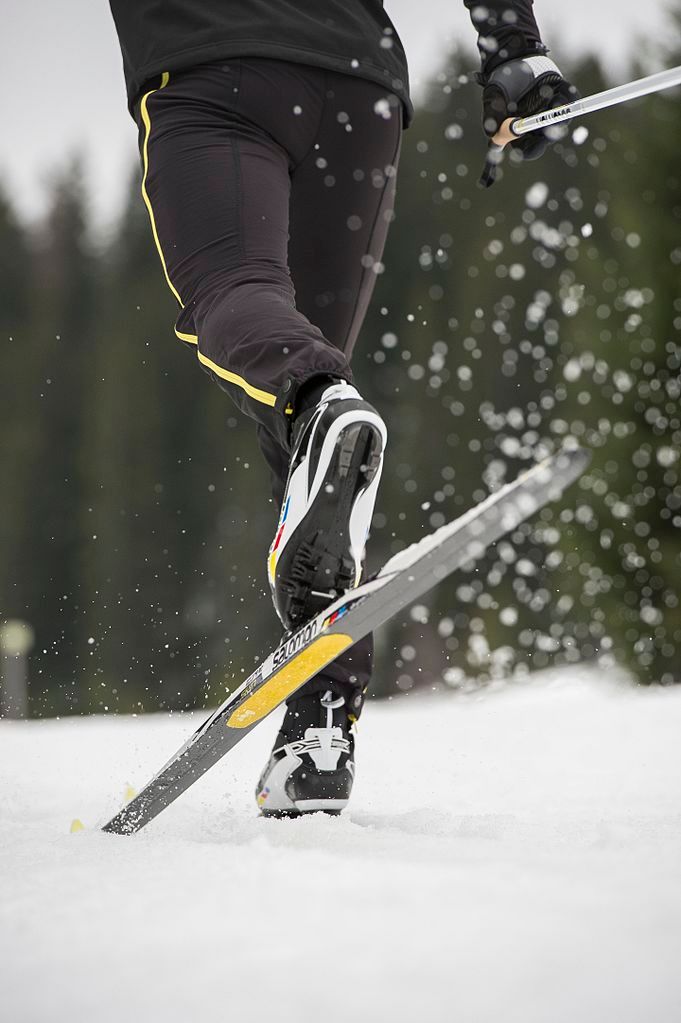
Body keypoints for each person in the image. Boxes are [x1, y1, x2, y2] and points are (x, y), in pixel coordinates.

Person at [107, 1, 577, 817]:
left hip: (215, 69)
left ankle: (318, 397)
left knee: (241, 305)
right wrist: (512, 44)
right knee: (310, 426)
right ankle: (320, 724)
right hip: (357, 90)